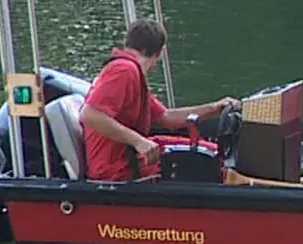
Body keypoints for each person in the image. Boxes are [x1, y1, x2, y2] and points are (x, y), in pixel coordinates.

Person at [79, 18, 242, 181]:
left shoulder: (132, 73)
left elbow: (166, 118)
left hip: (128, 157)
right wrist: (139, 142)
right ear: (159, 53)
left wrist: (215, 108)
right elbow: (89, 115)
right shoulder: (124, 70)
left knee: (213, 152)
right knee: (209, 163)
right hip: (114, 168)